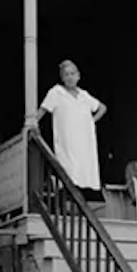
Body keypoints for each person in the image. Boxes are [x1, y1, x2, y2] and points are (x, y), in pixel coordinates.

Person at [35, 60, 108, 202]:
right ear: (62, 78)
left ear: (78, 76)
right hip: (67, 142)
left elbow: (102, 108)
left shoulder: (83, 95)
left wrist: (91, 122)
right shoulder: (56, 92)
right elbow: (42, 110)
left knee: (84, 171)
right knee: (68, 171)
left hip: (84, 141)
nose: (70, 77)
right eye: (66, 74)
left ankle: (80, 200)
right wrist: (31, 124)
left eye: (72, 73)